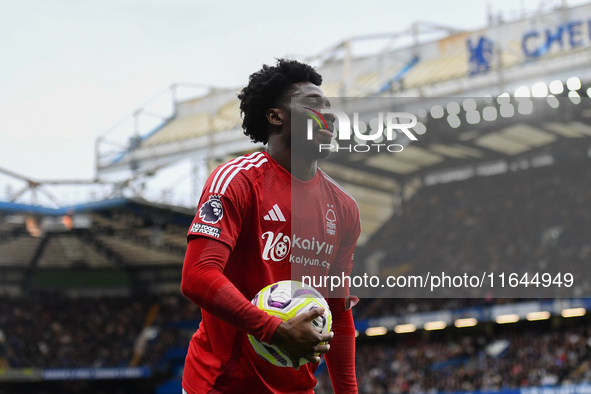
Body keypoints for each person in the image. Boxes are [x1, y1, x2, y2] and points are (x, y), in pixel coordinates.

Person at [181, 59, 360, 393]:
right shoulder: (237, 181)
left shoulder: (344, 208)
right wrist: (275, 330)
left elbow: (339, 309)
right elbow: (197, 275)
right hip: (220, 385)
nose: (330, 115)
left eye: (330, 107)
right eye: (312, 104)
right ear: (276, 116)